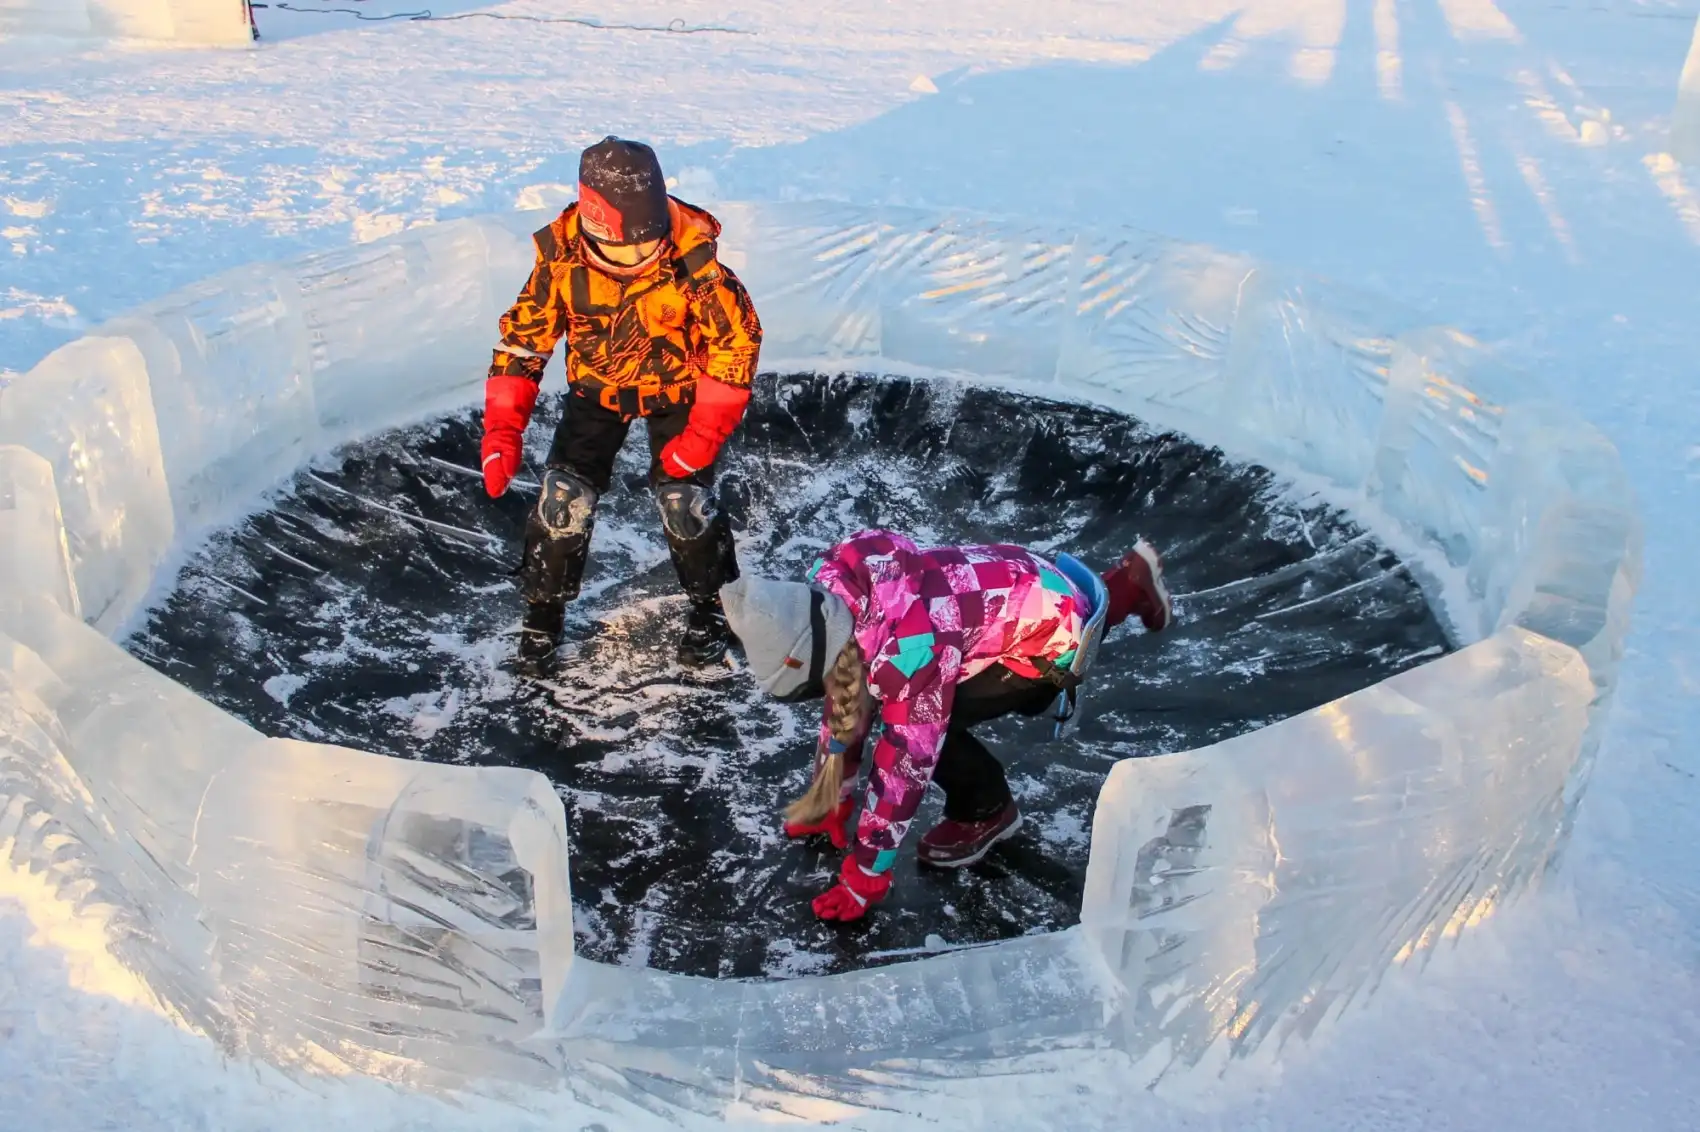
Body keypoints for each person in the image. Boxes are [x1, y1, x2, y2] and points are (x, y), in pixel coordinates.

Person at [718, 530, 1173, 922]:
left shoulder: (910, 652)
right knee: (880, 694)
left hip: (1047, 646)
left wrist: (868, 873)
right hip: (1021, 578)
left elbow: (906, 763)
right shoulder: (833, 591)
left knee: (935, 729)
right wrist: (830, 796)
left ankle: (987, 810)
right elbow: (846, 697)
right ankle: (1127, 583)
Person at [480, 137, 763, 671]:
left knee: (685, 503)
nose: (637, 257)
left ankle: (713, 607)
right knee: (562, 499)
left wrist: (702, 434)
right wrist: (502, 429)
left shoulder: (693, 263)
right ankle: (543, 613)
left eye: (647, 243)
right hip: (597, 391)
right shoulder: (561, 262)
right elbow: (523, 342)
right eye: (623, 248)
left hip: (677, 391)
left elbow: (736, 342)